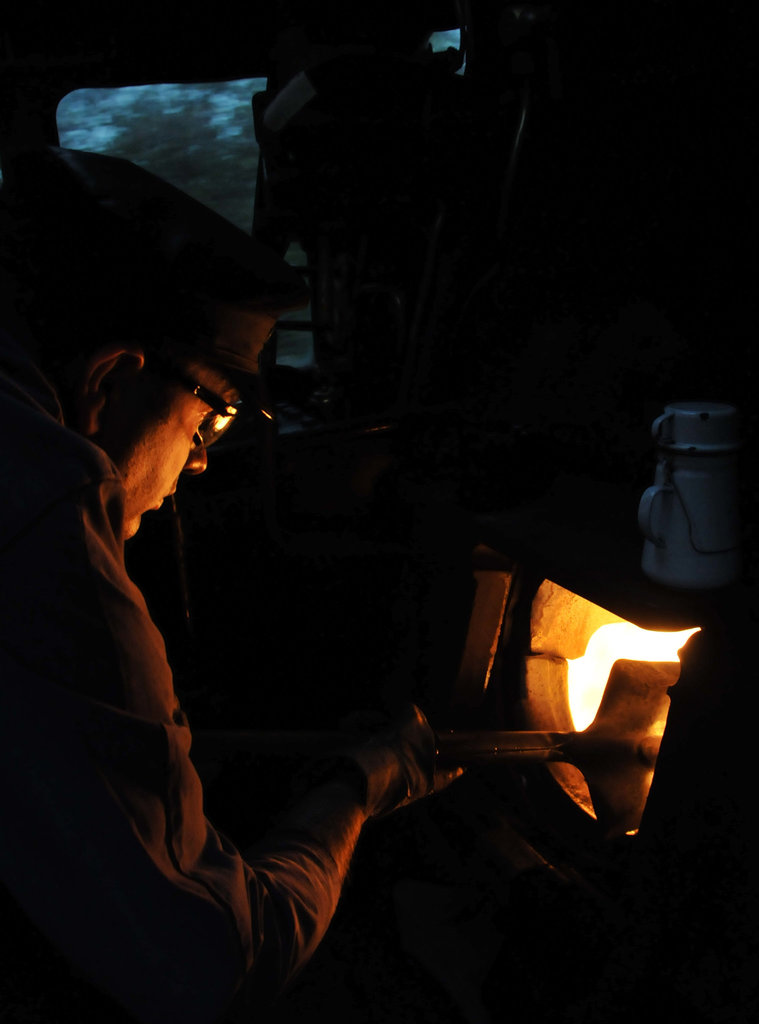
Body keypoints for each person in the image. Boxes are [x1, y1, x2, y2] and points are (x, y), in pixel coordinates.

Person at [0, 146, 451, 1023]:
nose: (204, 457)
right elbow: (211, 968)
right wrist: (357, 787)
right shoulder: (45, 523)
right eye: (211, 412)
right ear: (111, 380)